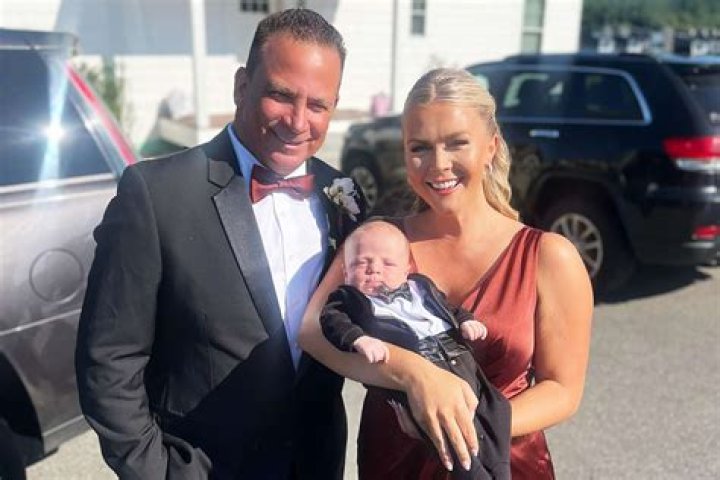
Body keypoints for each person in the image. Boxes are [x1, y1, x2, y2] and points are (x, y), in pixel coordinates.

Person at [75, 9, 368, 480]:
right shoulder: (156, 194)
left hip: (315, 465)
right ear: (241, 86)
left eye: (318, 105)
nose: (298, 121)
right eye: (281, 95)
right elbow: (109, 359)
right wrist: (159, 471)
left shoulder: (345, 198)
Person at [299, 68, 593, 480]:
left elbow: (562, 390)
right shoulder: (379, 242)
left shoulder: (548, 256)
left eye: (457, 143)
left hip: (505, 463)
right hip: (396, 464)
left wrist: (470, 425)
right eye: (419, 147)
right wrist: (411, 373)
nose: (438, 165)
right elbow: (312, 329)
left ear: (491, 146)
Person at [320, 220, 511, 480]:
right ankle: (472, 473)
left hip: (456, 353)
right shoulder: (349, 299)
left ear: (407, 269)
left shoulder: (421, 286)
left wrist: (466, 321)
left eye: (387, 264)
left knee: (497, 407)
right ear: (345, 271)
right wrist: (359, 339)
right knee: (444, 427)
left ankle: (500, 469)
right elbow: (332, 319)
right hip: (421, 362)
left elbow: (449, 308)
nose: (374, 270)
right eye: (361, 263)